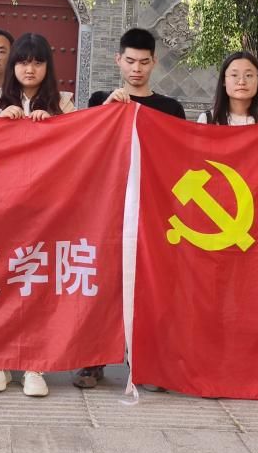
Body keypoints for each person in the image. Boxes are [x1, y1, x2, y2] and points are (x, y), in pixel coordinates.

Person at [75, 27, 184, 391]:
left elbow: (180, 157)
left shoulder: (170, 108)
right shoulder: (101, 99)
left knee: (151, 284)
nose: (136, 69)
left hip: (153, 207)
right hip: (108, 205)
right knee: (103, 281)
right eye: (130, 61)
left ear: (154, 63)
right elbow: (84, 144)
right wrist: (107, 112)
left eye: (144, 62)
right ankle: (93, 360)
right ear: (118, 60)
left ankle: (146, 363)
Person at [0, 33, 74, 398]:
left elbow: (80, 148)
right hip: (0, 211)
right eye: (22, 62)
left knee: (37, 287)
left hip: (46, 214)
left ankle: (34, 365)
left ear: (48, 66)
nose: (29, 69)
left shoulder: (64, 102)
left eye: (37, 62)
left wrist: (55, 125)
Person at [198, 51, 258, 125]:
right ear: (224, 80)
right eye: (234, 75)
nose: (241, 82)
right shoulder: (207, 121)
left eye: (248, 75)